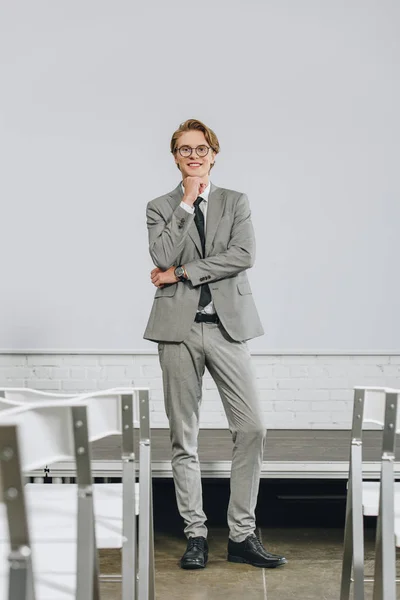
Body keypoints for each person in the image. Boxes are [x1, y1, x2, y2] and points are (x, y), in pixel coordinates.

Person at [143, 118, 286, 570]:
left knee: (252, 428)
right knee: (184, 436)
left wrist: (183, 274)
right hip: (177, 331)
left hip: (227, 326)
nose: (194, 156)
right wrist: (185, 204)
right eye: (184, 150)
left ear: (214, 153)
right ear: (174, 157)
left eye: (201, 148)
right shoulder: (159, 206)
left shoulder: (234, 201)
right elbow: (161, 255)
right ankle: (196, 534)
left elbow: (243, 256)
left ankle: (242, 534)